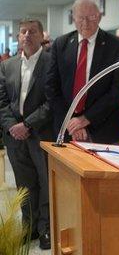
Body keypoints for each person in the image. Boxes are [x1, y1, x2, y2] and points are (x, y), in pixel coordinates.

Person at [0, 19, 52, 249]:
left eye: (32, 31)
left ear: (41, 36)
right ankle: (29, 227)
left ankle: (45, 229)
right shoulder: (7, 66)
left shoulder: (52, 63)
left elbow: (53, 101)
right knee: (24, 184)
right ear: (18, 37)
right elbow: (2, 101)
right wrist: (13, 125)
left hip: (41, 132)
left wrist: (28, 125)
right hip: (14, 136)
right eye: (23, 32)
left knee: (44, 182)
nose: (27, 35)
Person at [46, 0, 119, 143]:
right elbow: (51, 87)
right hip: (66, 129)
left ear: (99, 17)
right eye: (81, 18)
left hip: (103, 128)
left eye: (91, 17)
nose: (86, 22)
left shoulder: (115, 45)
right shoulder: (61, 44)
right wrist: (72, 122)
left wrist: (86, 119)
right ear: (73, 18)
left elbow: (117, 89)